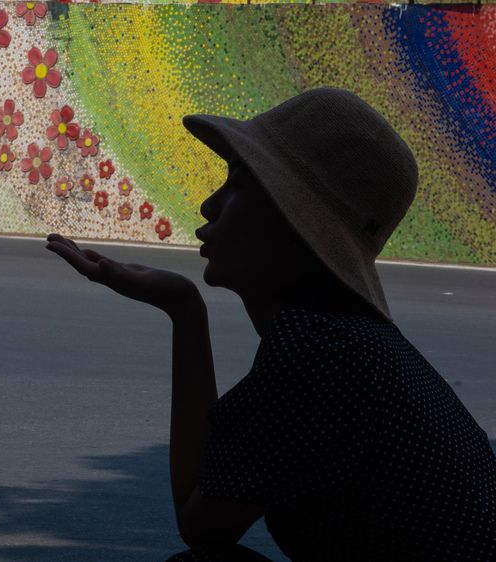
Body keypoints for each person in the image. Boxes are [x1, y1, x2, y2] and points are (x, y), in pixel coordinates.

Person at [46, 88, 496, 560]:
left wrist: (183, 309)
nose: (209, 206)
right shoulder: (352, 344)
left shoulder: (323, 355)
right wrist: (183, 307)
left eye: (237, 186)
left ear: (292, 224)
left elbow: (200, 523)